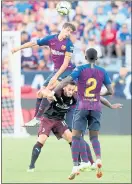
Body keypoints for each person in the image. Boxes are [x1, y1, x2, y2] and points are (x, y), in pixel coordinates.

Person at [27, 81, 122, 174]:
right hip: (47, 119)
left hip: (59, 120)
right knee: (41, 140)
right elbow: (42, 92)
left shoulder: (75, 96)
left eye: (72, 90)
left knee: (72, 139)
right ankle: (31, 166)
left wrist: (110, 106)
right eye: (69, 89)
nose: (71, 92)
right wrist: (47, 94)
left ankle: (80, 163)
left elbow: (97, 97)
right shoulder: (56, 93)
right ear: (64, 88)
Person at [49, 48, 114, 179]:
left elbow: (64, 81)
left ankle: (75, 165)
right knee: (94, 137)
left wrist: (53, 92)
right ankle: (98, 159)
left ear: (85, 57)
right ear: (97, 58)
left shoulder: (80, 69)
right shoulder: (102, 71)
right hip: (96, 107)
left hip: (82, 106)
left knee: (76, 137)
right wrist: (98, 94)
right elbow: (110, 91)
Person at [11, 22, 76, 126]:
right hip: (56, 71)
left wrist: (55, 77)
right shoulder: (51, 39)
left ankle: (50, 114)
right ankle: (38, 118)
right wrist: (18, 48)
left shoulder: (69, 44)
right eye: (67, 30)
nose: (68, 33)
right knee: (40, 93)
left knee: (49, 88)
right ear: (62, 28)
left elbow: (65, 64)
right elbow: (33, 43)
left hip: (67, 71)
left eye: (70, 32)